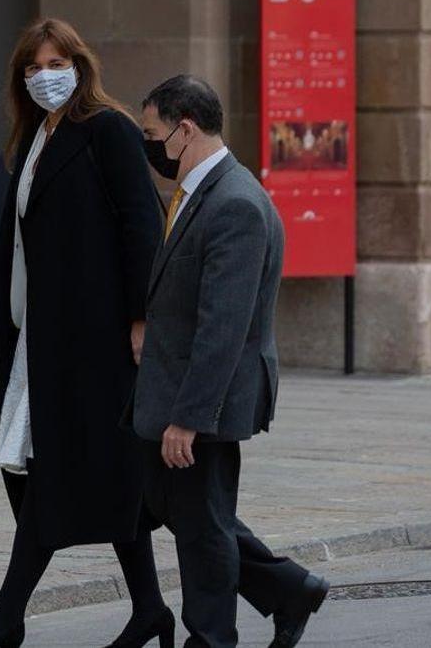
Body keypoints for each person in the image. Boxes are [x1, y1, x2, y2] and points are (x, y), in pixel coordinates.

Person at [0, 18, 165, 648]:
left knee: (54, 471)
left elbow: (139, 226)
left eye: (56, 62)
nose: (45, 75)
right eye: (33, 67)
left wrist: (141, 317)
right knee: (83, 473)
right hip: (33, 336)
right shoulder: (36, 137)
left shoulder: (108, 130)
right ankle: (149, 607)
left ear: (80, 63)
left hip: (90, 337)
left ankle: (6, 616)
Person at [133, 75, 329, 648]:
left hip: (207, 397)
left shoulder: (236, 204)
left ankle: (213, 637)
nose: (148, 145)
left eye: (152, 133)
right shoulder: (204, 191)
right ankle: (288, 590)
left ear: (183, 129)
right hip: (177, 387)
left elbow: (224, 328)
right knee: (189, 513)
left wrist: (188, 418)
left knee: (203, 526)